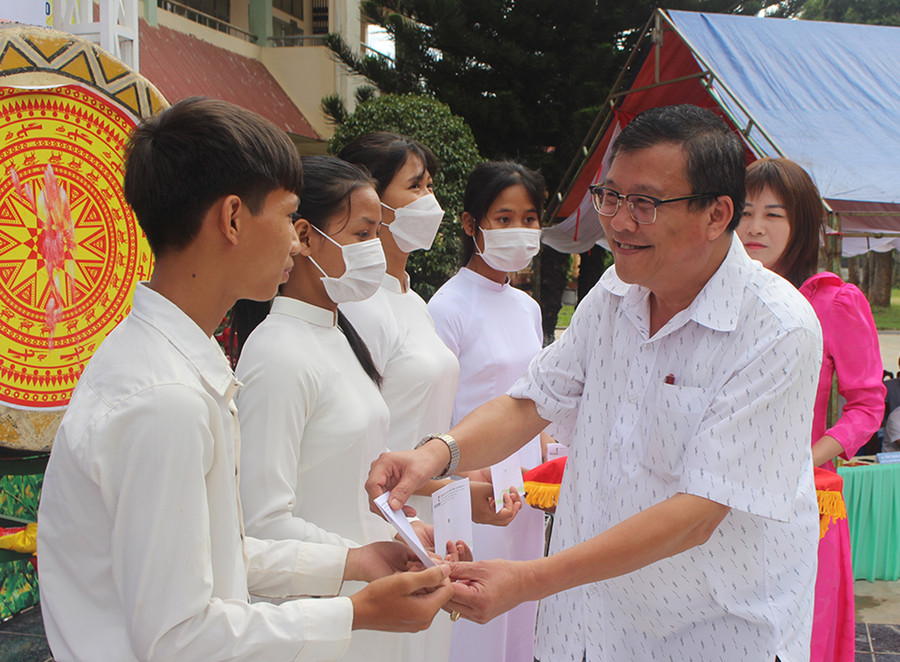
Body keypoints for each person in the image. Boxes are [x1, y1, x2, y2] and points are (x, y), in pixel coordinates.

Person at [366, 104, 823, 661]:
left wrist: (531, 580)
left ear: (716, 213)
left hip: (711, 633)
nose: (620, 221)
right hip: (590, 628)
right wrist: (436, 454)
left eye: (645, 203)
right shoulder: (614, 296)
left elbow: (698, 515)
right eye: (610, 196)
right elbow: (531, 402)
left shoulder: (776, 328)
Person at [36, 98, 453, 662]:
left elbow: (215, 557)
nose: (296, 240)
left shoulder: (175, 363)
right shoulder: (166, 400)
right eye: (286, 217)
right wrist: (355, 612)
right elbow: (178, 638)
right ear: (232, 218)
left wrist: (353, 563)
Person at [338, 133, 519, 662]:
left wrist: (460, 489)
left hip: (424, 532)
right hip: (377, 534)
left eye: (432, 186)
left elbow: (411, 444)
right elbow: (361, 449)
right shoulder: (356, 310)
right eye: (415, 186)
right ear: (368, 200)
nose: (431, 202)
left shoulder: (413, 301)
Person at [738, 156, 885, 662]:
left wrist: (808, 459)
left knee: (800, 639)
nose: (755, 227)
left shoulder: (833, 302)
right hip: (721, 500)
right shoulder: (709, 300)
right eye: (745, 211)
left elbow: (867, 406)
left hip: (805, 503)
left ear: (801, 226)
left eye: (773, 215)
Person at [428, 161, 549, 662]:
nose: (517, 231)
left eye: (529, 218)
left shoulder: (527, 306)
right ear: (469, 223)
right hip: (475, 492)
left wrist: (546, 469)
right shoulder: (447, 307)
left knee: (523, 617)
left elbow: (536, 397)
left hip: (526, 491)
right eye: (503, 219)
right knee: (475, 621)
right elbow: (437, 414)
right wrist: (470, 475)